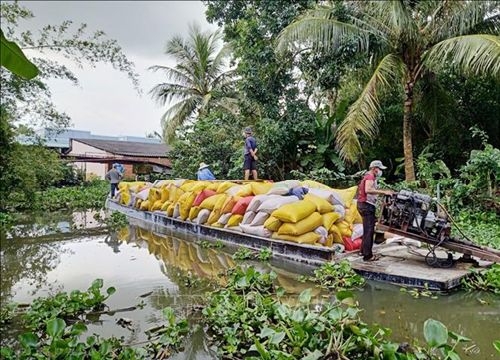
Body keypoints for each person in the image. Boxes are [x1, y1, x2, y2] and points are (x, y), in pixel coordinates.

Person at [357, 160, 393, 262]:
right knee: (369, 231)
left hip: (363, 205)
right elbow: (368, 190)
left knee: (366, 229)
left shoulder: (368, 176)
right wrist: (383, 192)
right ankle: (368, 256)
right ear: (374, 168)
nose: (380, 171)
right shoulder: (370, 176)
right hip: (366, 206)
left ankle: (363, 251)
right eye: (379, 169)